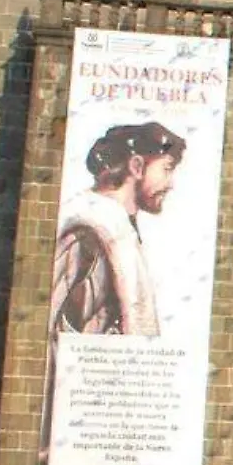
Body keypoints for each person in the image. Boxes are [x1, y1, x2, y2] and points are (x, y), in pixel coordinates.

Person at [50, 121, 187, 337]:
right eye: (167, 169)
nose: (171, 184)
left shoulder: (117, 230)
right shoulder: (85, 237)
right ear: (137, 167)